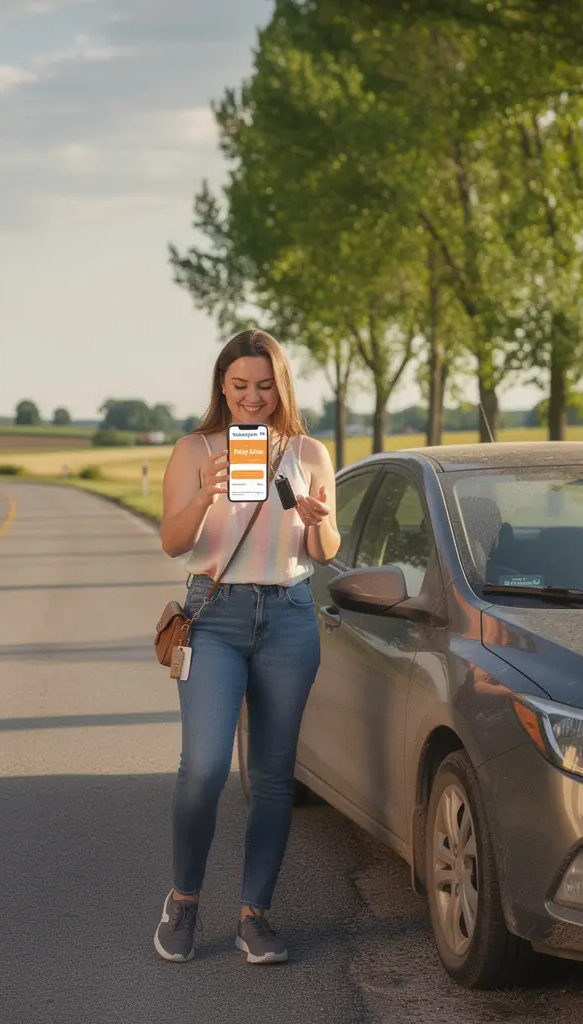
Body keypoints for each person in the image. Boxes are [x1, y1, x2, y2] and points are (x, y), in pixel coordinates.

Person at [153, 328, 341, 965]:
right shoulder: (194, 449)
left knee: (271, 778)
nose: (253, 398)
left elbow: (325, 550)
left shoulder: (310, 452)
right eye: (240, 386)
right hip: (215, 616)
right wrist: (207, 492)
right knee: (203, 770)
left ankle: (254, 915)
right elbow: (174, 543)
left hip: (288, 615)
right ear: (222, 387)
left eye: (265, 385)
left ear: (281, 386)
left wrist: (320, 523)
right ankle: (183, 901)